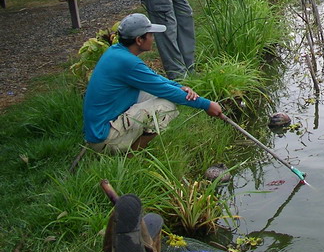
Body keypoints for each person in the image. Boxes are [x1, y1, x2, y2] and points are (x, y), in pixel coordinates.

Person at [83, 13, 223, 153]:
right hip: (104, 138)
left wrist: (180, 87)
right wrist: (207, 105)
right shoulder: (128, 62)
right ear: (139, 40)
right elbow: (164, 89)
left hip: (100, 127)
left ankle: (130, 145)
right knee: (166, 106)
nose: (153, 38)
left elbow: (156, 80)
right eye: (150, 35)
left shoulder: (117, 52)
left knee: (154, 92)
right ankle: (132, 157)